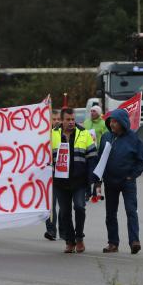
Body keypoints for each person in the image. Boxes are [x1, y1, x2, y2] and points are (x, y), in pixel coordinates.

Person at [96, 108, 143, 254]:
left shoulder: (134, 138)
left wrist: (132, 175)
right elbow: (100, 160)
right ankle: (113, 243)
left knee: (131, 211)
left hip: (127, 182)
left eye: (115, 121)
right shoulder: (106, 137)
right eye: (110, 121)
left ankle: (134, 241)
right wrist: (98, 180)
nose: (112, 124)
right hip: (110, 181)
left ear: (123, 123)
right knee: (110, 213)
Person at [52, 108, 97, 253]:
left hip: (79, 181)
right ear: (61, 120)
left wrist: (92, 181)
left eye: (73, 119)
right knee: (64, 212)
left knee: (79, 207)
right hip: (60, 182)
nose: (71, 122)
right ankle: (69, 241)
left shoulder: (85, 134)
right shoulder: (52, 135)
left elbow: (92, 159)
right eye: (68, 120)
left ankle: (79, 238)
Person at [45, 108, 63, 240]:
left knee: (63, 205)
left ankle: (64, 231)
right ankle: (51, 230)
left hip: (62, 174)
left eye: (58, 119)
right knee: (50, 205)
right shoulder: (45, 134)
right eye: (54, 119)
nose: (56, 121)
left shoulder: (65, 134)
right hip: (49, 174)